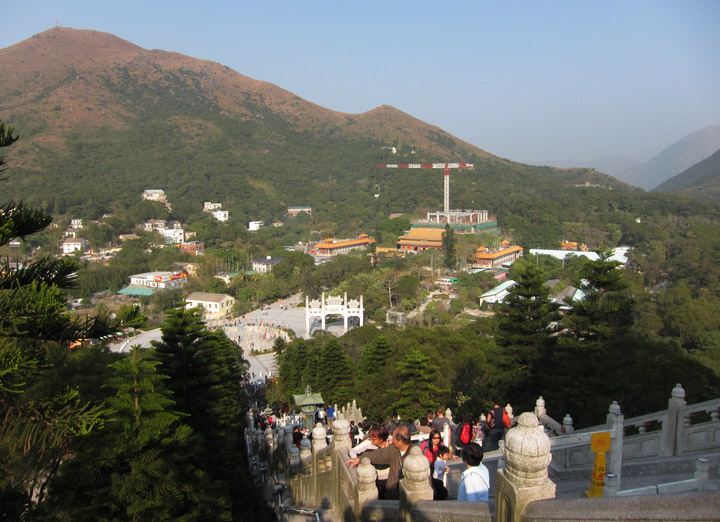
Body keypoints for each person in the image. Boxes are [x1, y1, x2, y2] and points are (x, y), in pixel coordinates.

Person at [345, 425, 427, 500]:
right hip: (392, 494)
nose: (391, 439)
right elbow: (378, 455)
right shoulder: (394, 450)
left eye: (393, 438)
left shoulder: (417, 456)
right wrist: (360, 458)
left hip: (409, 498)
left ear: (400, 441)